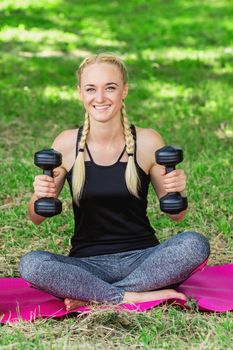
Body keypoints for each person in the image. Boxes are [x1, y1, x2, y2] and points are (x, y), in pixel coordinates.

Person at [19, 53, 210, 311]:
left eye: (110, 87)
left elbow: (177, 215)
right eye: (91, 89)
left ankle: (97, 295)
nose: (100, 98)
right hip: (88, 264)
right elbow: (36, 217)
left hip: (143, 259)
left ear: (124, 91)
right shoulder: (66, 144)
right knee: (32, 264)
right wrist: (39, 194)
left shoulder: (148, 141)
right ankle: (131, 296)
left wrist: (177, 188)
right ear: (80, 93)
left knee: (195, 244)